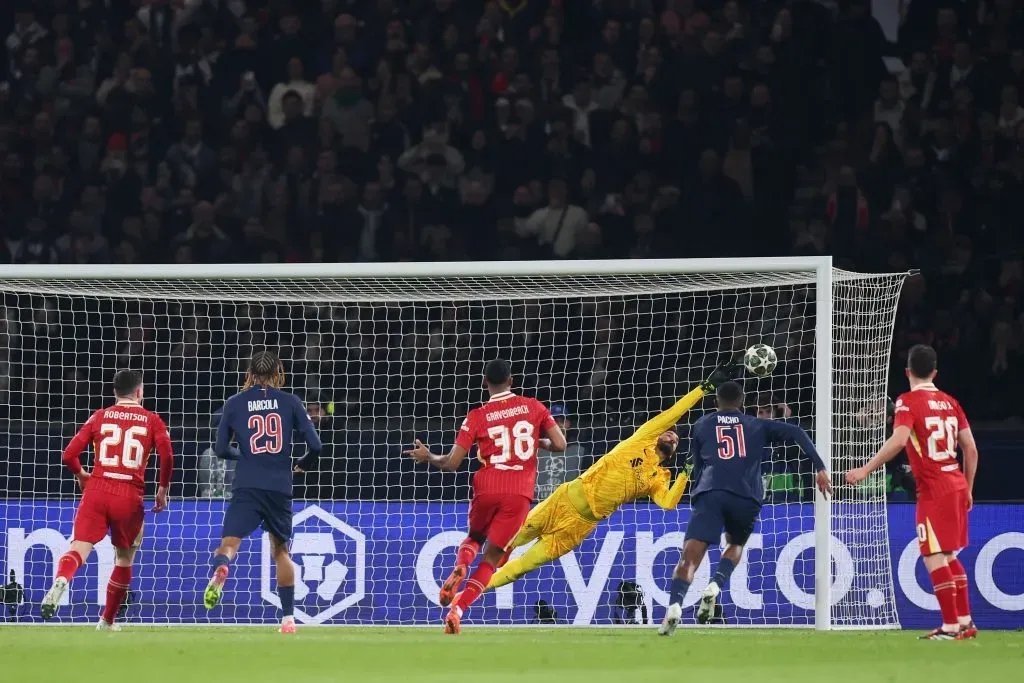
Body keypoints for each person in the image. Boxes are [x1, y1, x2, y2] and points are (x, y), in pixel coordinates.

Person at [481, 364, 742, 596]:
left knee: (523, 567)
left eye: (675, 440)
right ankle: (471, 570)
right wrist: (703, 389)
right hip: (564, 500)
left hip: (580, 526)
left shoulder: (659, 477)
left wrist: (685, 472)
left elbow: (668, 503)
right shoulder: (641, 439)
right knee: (507, 540)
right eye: (669, 434)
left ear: (673, 454)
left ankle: (469, 594)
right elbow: (675, 412)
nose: (672, 437)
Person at [405, 359, 567, 634]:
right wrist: (535, 441)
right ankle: (457, 610)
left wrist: (429, 456)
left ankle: (461, 565)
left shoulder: (477, 416)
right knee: (492, 560)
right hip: (519, 492)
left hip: (488, 486)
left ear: (485, 383)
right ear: (511, 381)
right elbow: (561, 444)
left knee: (474, 537)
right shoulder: (534, 406)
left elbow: (452, 463)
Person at [660, 380, 832, 636]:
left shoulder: (701, 424)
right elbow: (797, 432)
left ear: (716, 401)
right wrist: (820, 467)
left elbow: (697, 465)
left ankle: (674, 606)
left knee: (689, 558)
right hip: (746, 495)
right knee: (735, 544)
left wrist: (699, 495)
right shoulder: (756, 424)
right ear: (742, 403)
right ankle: (715, 586)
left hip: (711, 492)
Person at [846, 344, 978, 640]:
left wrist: (865, 469)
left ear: (907, 372)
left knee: (932, 554)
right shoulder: (951, 402)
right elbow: (970, 449)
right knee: (947, 553)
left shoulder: (907, 402)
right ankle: (965, 621)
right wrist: (968, 488)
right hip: (956, 483)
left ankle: (950, 626)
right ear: (935, 373)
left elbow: (898, 440)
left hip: (934, 488)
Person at [40, 370, 173, 630]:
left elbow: (68, 455)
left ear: (115, 392)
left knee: (78, 549)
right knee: (124, 558)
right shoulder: (152, 420)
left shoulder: (100, 416)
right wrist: (162, 489)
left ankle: (62, 579)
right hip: (129, 495)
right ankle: (107, 621)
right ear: (139, 392)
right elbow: (167, 456)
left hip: (97, 490)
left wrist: (81, 475)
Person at [203, 351, 322, 634]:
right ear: (278, 372)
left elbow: (220, 448)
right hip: (279, 486)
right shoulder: (291, 402)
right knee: (281, 551)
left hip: (247, 484)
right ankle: (288, 620)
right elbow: (317, 446)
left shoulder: (234, 403)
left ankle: (222, 568)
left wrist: (244, 455)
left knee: (229, 544)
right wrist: (303, 464)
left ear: (250, 373)